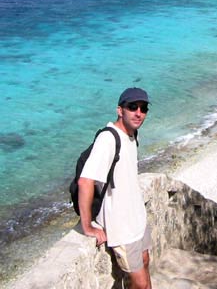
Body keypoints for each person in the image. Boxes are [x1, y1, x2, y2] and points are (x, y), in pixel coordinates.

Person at [78, 87, 152, 289]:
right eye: (132, 107)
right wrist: (87, 227)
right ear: (120, 110)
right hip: (122, 228)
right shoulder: (108, 139)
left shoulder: (133, 134)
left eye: (143, 108)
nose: (138, 112)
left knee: (146, 263)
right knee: (140, 284)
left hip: (138, 219)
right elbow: (85, 181)